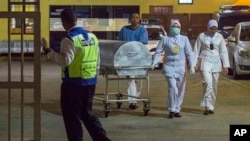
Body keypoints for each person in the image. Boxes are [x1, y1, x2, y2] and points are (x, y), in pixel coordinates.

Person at [41, 9, 111, 141]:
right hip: (90, 82)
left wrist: (50, 53)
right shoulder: (92, 36)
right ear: (77, 19)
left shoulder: (69, 39)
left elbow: (65, 61)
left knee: (72, 119)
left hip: (73, 85)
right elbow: (98, 59)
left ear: (63, 22)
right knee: (88, 115)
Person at [152, 20, 195, 119]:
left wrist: (192, 65)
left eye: (178, 27)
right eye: (174, 27)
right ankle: (171, 109)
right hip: (169, 66)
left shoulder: (184, 39)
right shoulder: (165, 39)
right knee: (173, 88)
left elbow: (189, 53)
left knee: (180, 89)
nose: (176, 29)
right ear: (171, 28)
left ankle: (177, 109)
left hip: (181, 67)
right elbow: (158, 52)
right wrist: (155, 62)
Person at [193, 19, 230, 115]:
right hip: (205, 61)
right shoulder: (202, 36)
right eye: (212, 29)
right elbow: (196, 50)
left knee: (214, 85)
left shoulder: (220, 37)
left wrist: (225, 65)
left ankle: (211, 106)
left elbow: (223, 51)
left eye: (215, 29)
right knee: (207, 83)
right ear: (208, 27)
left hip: (216, 62)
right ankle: (206, 105)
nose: (213, 31)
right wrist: (194, 64)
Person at [118, 12, 148, 110]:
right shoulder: (124, 30)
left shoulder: (142, 31)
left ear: (139, 19)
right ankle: (132, 102)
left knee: (138, 81)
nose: (135, 19)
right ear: (129, 19)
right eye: (133, 17)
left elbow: (141, 44)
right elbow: (120, 43)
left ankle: (135, 98)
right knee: (131, 79)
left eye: (137, 17)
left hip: (138, 59)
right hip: (127, 59)